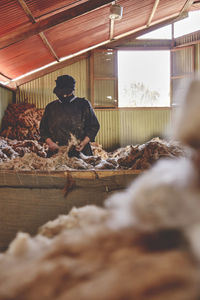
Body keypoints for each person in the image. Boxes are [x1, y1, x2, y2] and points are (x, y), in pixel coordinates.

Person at [40, 75, 100, 156]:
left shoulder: (83, 105)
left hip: (80, 152)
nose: (64, 96)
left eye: (66, 94)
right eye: (61, 94)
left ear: (72, 91)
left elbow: (94, 126)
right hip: (56, 153)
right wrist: (51, 143)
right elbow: (43, 129)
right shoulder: (51, 107)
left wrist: (83, 143)